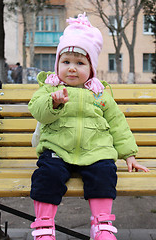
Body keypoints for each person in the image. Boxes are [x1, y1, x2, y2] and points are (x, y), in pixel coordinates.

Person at [28, 13, 149, 240]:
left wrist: (129, 154)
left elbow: (116, 123)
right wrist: (53, 102)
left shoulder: (100, 93)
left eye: (80, 63)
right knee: (46, 175)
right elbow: (37, 111)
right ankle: (44, 226)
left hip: (95, 151)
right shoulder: (49, 88)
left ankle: (101, 224)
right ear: (57, 64)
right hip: (58, 150)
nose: (72, 68)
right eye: (66, 62)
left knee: (105, 172)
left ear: (91, 68)